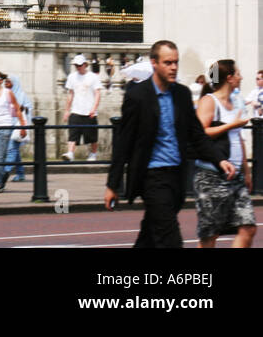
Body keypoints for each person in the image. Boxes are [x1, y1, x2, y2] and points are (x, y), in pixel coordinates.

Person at [105, 41, 236, 248]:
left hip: (176, 174)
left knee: (150, 234)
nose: (173, 67)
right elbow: (124, 142)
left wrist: (219, 160)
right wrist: (112, 184)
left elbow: (196, 134)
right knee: (170, 239)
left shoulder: (182, 94)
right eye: (168, 62)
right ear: (154, 63)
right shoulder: (137, 96)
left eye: (175, 62)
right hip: (152, 176)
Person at [193, 59, 255, 248]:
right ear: (229, 78)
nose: (241, 77)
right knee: (210, 235)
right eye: (238, 74)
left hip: (235, 175)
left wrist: (246, 170)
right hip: (212, 176)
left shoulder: (236, 101)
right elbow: (200, 132)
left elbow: (238, 139)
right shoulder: (209, 101)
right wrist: (231, 125)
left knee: (248, 227)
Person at [64, 55, 102, 162]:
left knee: (92, 136)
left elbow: (98, 93)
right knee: (73, 134)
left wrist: (94, 108)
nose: (78, 67)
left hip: (89, 110)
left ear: (85, 64)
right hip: (76, 110)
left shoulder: (93, 77)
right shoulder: (72, 77)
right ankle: (70, 153)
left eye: (80, 65)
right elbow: (70, 94)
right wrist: (67, 110)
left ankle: (93, 154)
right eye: (76, 65)